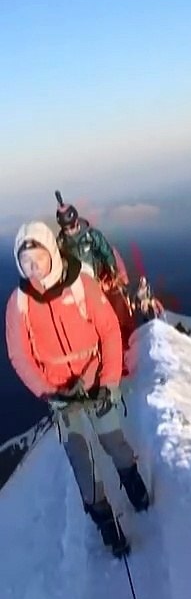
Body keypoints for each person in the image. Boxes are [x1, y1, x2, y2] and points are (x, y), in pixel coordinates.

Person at [5, 221, 150, 558]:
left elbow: (109, 331)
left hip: (95, 378)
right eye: (26, 263)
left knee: (113, 440)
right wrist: (48, 392)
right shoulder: (20, 303)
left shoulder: (81, 285)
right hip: (61, 394)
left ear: (52, 252)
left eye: (37, 259)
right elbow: (19, 355)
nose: (34, 269)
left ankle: (133, 485)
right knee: (82, 462)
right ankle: (108, 526)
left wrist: (109, 379)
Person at [54, 193, 138, 358]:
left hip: (99, 279)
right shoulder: (61, 243)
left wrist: (113, 270)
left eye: (73, 226)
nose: (71, 231)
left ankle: (123, 344)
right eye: (67, 228)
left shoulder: (92, 236)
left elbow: (106, 252)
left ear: (77, 221)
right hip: (77, 284)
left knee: (112, 312)